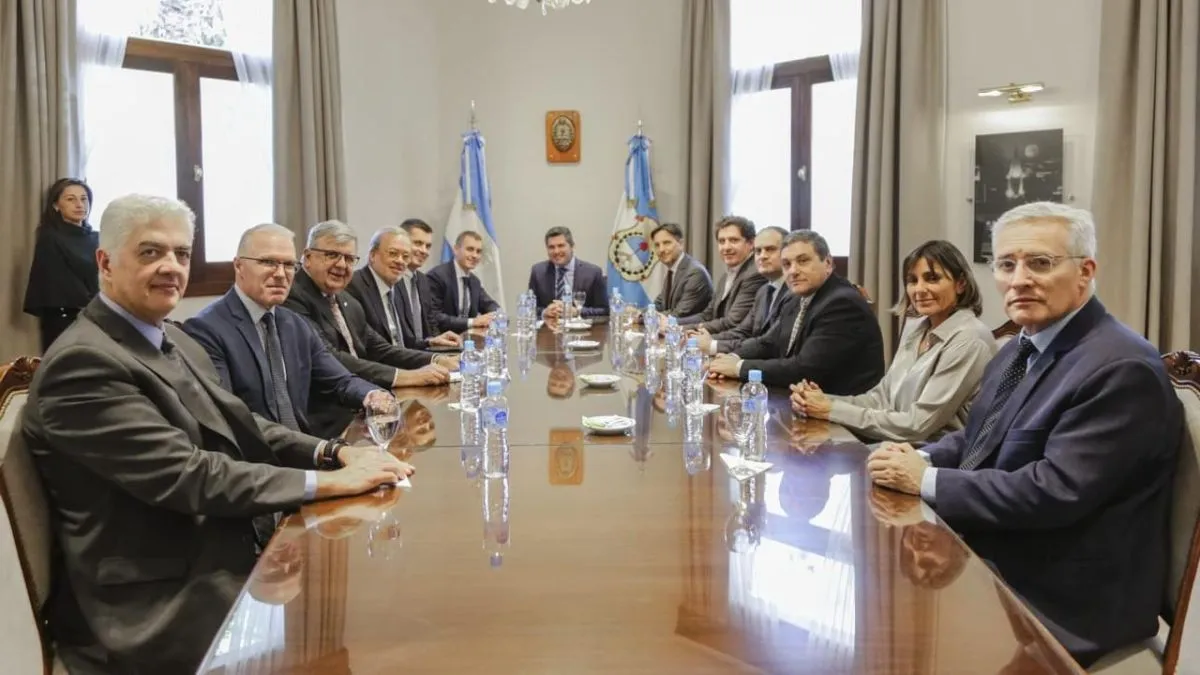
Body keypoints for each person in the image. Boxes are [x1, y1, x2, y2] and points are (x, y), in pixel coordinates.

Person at [22, 194, 413, 673]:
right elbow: (188, 476)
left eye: (182, 254)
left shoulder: (172, 337)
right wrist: (327, 484)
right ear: (105, 263)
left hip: (214, 547)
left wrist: (333, 454)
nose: (171, 266)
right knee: (361, 642)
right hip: (156, 601)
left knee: (374, 605)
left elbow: (241, 422)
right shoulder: (84, 362)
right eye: (151, 252)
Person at [867, 202, 1182, 667]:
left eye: (1040, 263)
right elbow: (980, 438)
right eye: (1006, 265)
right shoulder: (1021, 345)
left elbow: (1054, 491)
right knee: (877, 597)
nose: (1019, 280)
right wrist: (920, 457)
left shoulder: (1120, 367)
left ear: (1085, 271)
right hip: (1005, 552)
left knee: (895, 644)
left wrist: (926, 480)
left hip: (1065, 600)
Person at [184, 224, 393, 438]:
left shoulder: (294, 324)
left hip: (306, 445)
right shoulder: (206, 329)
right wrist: (321, 450)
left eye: (289, 265)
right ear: (239, 266)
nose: (281, 274)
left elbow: (340, 380)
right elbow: (233, 417)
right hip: (257, 453)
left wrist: (371, 394)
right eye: (268, 262)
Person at [791, 240, 995, 443]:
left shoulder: (970, 339)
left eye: (932, 279)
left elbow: (917, 425)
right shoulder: (917, 328)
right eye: (912, 281)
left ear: (961, 284)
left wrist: (830, 409)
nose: (919, 289)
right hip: (892, 444)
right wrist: (819, 400)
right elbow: (880, 399)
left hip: (931, 455)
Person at [284, 220, 454, 389]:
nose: (341, 265)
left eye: (349, 258)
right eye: (332, 255)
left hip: (363, 392)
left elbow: (379, 348)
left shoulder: (345, 299)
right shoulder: (292, 295)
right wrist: (407, 377)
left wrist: (436, 359)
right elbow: (329, 357)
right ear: (308, 257)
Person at [708, 230, 884, 392]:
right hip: (799, 399)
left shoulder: (842, 303)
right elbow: (768, 343)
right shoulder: (795, 297)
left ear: (828, 263)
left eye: (803, 261)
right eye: (786, 264)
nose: (793, 271)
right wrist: (731, 358)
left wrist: (738, 368)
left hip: (838, 406)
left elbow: (804, 369)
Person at [347, 226, 461, 349]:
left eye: (406, 256)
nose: (400, 261)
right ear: (372, 255)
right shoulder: (353, 285)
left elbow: (405, 343)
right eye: (393, 253)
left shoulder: (395, 287)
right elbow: (371, 348)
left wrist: (430, 342)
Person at [24, 178, 100, 352]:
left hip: (98, 316)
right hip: (64, 318)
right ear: (56, 205)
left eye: (84, 199)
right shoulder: (50, 237)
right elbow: (58, 283)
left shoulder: (97, 238)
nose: (79, 204)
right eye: (71, 199)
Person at [693, 226, 792, 354]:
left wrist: (712, 345)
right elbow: (743, 331)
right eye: (758, 251)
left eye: (770, 249)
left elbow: (768, 343)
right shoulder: (763, 291)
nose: (762, 256)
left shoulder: (793, 292)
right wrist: (702, 340)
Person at [678, 216, 764, 330]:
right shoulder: (725, 276)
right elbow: (707, 315)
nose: (726, 247)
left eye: (733, 240)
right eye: (722, 241)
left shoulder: (755, 274)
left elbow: (732, 322)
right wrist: (672, 324)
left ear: (751, 243)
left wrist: (680, 329)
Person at [398, 218, 461, 346]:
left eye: (428, 246)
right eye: (418, 243)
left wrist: (440, 341)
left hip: (426, 351)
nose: (424, 251)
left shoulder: (423, 280)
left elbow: (431, 323)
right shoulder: (393, 280)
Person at [426, 230, 501, 331]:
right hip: (443, 337)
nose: (475, 255)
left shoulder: (474, 281)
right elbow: (435, 316)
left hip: (468, 338)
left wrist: (497, 315)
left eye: (478, 251)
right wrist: (472, 322)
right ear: (456, 249)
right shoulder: (437, 276)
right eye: (470, 249)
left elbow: (489, 305)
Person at [527, 226, 608, 318]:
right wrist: (544, 312)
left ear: (572, 246)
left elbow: (605, 310)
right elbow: (529, 307)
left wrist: (577, 311)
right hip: (549, 326)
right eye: (551, 247)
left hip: (580, 326)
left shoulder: (593, 273)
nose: (556, 251)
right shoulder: (538, 272)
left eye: (561, 246)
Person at [650, 222, 713, 317]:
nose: (661, 249)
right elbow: (659, 304)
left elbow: (679, 313)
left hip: (690, 326)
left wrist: (646, 318)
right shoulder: (672, 271)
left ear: (681, 244)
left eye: (666, 243)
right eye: (657, 245)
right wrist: (639, 314)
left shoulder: (695, 273)